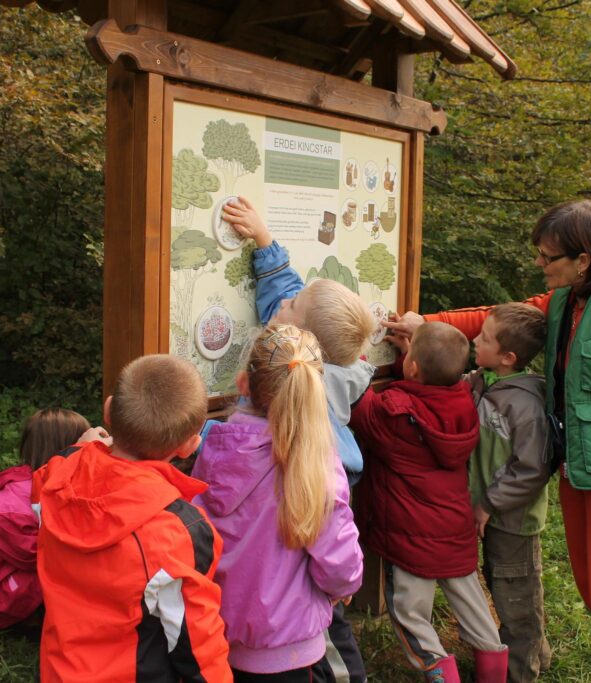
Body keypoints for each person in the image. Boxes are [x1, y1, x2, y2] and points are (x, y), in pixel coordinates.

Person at [386, 200, 591, 683]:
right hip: (579, 470)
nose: (539, 265)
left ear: (583, 259)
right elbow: (494, 317)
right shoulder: (566, 299)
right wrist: (426, 326)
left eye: (548, 258)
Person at [223, 197, 374, 682]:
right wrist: (265, 241)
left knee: (332, 643)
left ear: (299, 333)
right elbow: (286, 298)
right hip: (303, 561)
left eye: (290, 307)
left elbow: (331, 535)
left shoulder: (300, 388)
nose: (282, 304)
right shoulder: (320, 359)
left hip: (311, 570)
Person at [33, 355, 232, 683]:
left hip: (59, 669)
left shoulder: (55, 477)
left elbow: (51, 478)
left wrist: (81, 451)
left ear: (108, 411)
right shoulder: (179, 532)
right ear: (189, 446)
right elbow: (196, 643)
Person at [192, 323, 364, 683]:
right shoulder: (315, 460)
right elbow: (337, 555)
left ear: (243, 384)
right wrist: (344, 586)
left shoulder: (215, 448)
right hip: (288, 647)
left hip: (215, 633)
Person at [349, 321, 509, 683]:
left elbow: (360, 404)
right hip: (454, 529)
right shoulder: (462, 400)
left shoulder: (394, 414)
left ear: (414, 369)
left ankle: (440, 672)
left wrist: (356, 357)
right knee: (472, 603)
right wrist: (413, 355)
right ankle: (495, 670)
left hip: (410, 536)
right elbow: (429, 392)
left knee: (409, 611)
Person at [466, 303, 552, 682]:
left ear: (508, 357)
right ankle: (538, 654)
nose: (474, 340)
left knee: (516, 597)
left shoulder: (525, 405)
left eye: (484, 338)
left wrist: (488, 504)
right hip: (494, 515)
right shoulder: (488, 381)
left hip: (512, 521)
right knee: (505, 584)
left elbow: (532, 469)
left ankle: (521, 672)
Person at [0, 407, 101, 631]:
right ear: (65, 450)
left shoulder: (56, 483)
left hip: (27, 579)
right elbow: (28, 553)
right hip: (5, 592)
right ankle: (44, 620)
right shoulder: (16, 497)